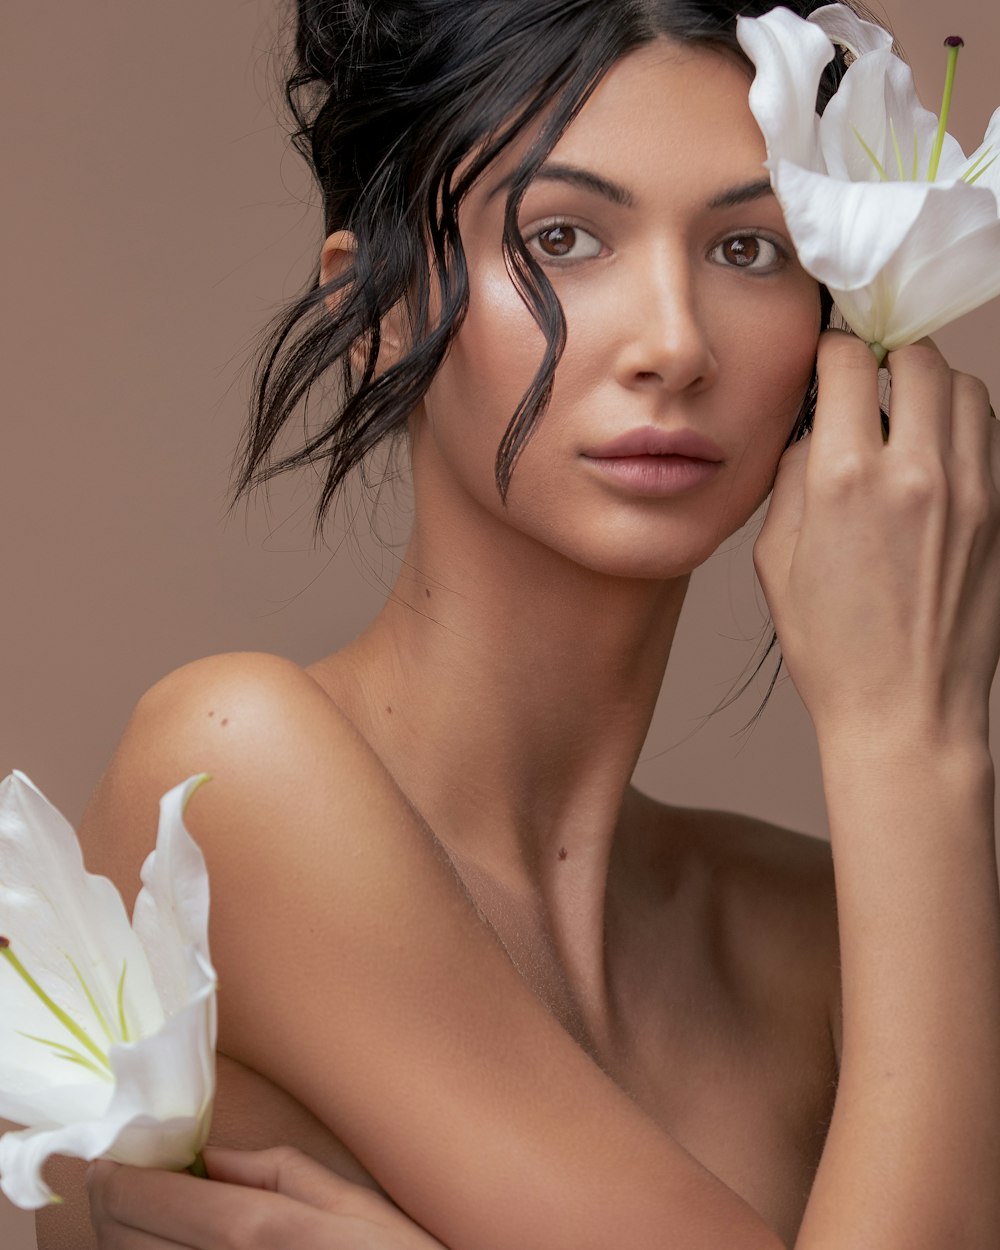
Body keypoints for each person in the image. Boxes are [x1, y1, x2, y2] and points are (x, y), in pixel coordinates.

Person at [46, 0, 1000, 1246]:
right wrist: (906, 741)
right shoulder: (232, 770)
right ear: (375, 311)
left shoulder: (817, 937)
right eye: (562, 236)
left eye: (752, 250)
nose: (672, 341)